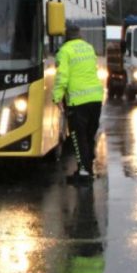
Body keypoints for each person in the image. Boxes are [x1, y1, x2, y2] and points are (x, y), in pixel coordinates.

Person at [54, 23, 104, 180]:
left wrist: (57, 97)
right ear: (80, 34)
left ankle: (83, 171)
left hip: (78, 101)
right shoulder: (89, 48)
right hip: (95, 98)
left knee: (77, 136)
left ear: (66, 36)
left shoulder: (65, 51)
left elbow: (62, 77)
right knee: (90, 134)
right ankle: (88, 166)